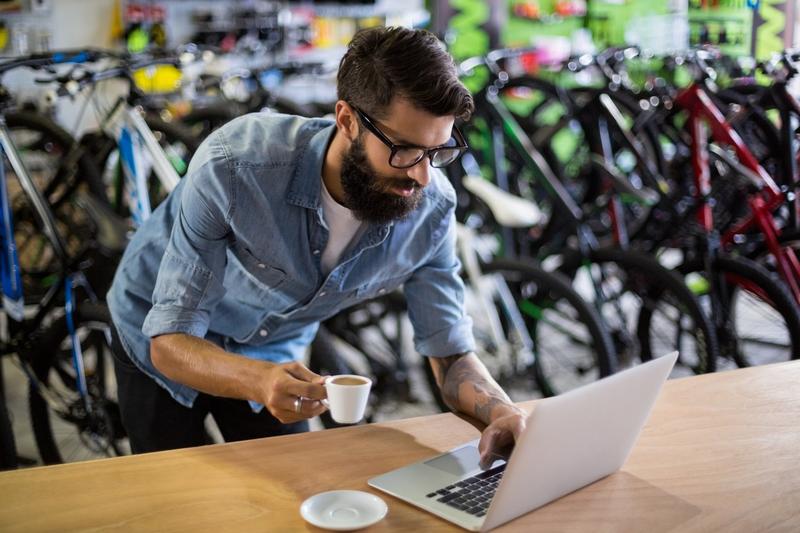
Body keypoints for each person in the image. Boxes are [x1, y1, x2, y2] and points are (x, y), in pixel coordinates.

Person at [107, 26, 526, 467]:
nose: (422, 176)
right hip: (159, 333)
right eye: (404, 150)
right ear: (346, 120)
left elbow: (451, 351)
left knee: (292, 492)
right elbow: (170, 340)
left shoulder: (431, 209)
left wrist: (501, 410)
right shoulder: (236, 166)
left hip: (273, 351)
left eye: (438, 151)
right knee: (171, 497)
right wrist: (257, 380)